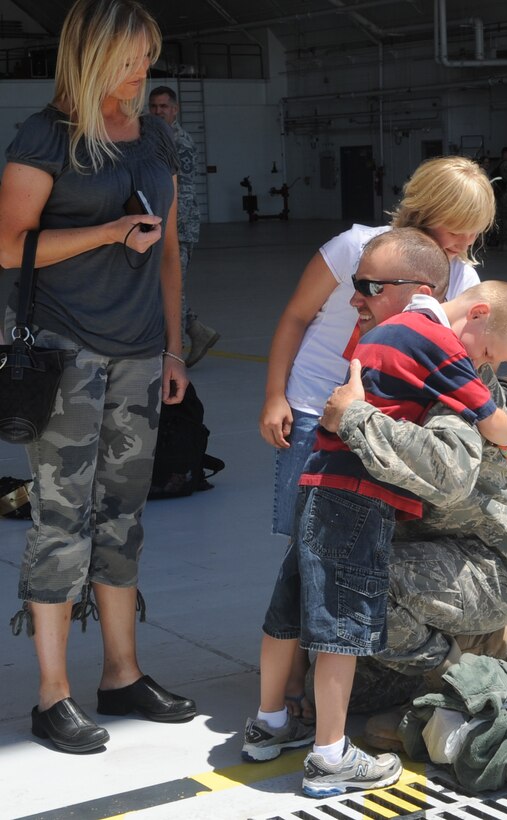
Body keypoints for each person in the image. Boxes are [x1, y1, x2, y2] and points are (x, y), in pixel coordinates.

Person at [242, 231, 507, 799]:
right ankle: (320, 743)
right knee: (326, 607)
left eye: (369, 288)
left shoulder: (453, 364)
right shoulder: (408, 343)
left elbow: (449, 476)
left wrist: (351, 419)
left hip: (484, 562)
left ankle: (464, 670)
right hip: (356, 501)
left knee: (338, 603)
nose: (355, 299)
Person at [0, 0, 197, 755]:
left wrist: (173, 350)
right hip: (64, 350)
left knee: (123, 515)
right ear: (91, 57)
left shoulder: (155, 137)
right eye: (129, 59)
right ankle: (53, 695)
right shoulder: (46, 135)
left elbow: (172, 252)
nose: (142, 72)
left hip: (140, 352)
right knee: (61, 519)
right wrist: (110, 231)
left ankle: (123, 673)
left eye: (148, 56)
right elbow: (10, 243)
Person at [259, 154, 496, 719]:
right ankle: (288, 686)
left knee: (352, 551)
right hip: (316, 410)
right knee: (303, 545)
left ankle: (328, 679)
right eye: (456, 225)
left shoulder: (460, 278)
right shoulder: (354, 248)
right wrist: (275, 395)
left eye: (476, 230)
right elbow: (295, 316)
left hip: (383, 429)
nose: (465, 241)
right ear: (424, 209)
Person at [148, 85, 219, 367]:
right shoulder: (156, 137)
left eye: (163, 106)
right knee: (162, 284)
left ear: (175, 110)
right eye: (154, 106)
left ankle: (173, 351)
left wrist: (172, 228)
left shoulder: (180, 141)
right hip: (162, 222)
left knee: (171, 286)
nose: (157, 111)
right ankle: (197, 331)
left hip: (179, 225)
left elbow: (182, 191)